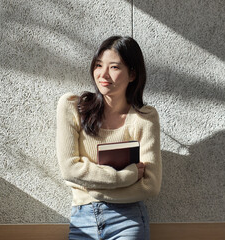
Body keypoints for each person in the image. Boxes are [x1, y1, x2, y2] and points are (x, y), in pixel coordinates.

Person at [56, 36, 162, 240]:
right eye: (98, 65)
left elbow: (151, 184)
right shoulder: (72, 108)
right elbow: (69, 169)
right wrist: (126, 176)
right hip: (82, 220)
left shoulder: (144, 118)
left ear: (132, 74)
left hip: (128, 220)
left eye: (114, 67)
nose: (103, 74)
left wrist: (92, 186)